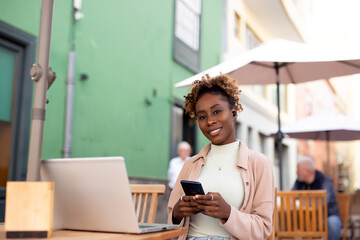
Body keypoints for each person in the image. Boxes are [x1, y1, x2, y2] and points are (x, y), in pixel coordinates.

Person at [167, 73, 274, 240]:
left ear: (234, 112)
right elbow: (170, 223)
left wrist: (228, 213)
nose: (210, 121)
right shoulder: (190, 164)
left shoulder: (258, 163)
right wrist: (177, 212)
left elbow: (263, 230)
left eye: (217, 111)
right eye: (202, 116)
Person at [292, 156, 342, 240]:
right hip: (307, 217)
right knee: (289, 220)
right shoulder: (299, 181)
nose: (296, 173)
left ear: (306, 171)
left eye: (298, 169)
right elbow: (291, 197)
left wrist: (302, 201)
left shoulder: (324, 180)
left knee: (333, 222)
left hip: (327, 216)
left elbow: (322, 201)